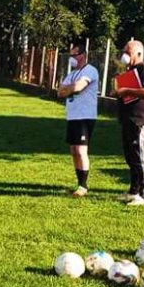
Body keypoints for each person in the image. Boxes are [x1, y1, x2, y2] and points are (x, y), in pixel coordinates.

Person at [112, 40, 144, 206]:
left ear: (138, 53)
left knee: (140, 156)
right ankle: (133, 191)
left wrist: (128, 90)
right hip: (127, 120)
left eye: (128, 52)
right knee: (130, 157)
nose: (124, 55)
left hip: (140, 120)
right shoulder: (129, 71)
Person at [56, 43, 99, 197]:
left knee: (81, 151)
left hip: (85, 117)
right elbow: (60, 92)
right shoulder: (72, 73)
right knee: (74, 151)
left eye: (74, 55)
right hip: (73, 116)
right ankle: (78, 183)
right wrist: (68, 89)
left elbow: (78, 87)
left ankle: (83, 186)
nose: (71, 58)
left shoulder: (90, 71)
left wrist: (69, 89)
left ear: (82, 55)